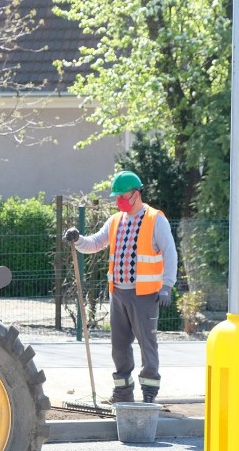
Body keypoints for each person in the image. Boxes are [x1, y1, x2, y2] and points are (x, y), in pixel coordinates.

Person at [64, 170, 178, 404]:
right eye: (116, 197)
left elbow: (170, 252)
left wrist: (167, 285)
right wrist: (77, 240)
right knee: (119, 347)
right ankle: (123, 394)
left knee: (148, 346)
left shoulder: (156, 219)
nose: (118, 201)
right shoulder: (116, 220)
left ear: (136, 195)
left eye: (122, 196)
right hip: (118, 293)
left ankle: (149, 396)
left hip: (145, 295)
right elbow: (95, 243)